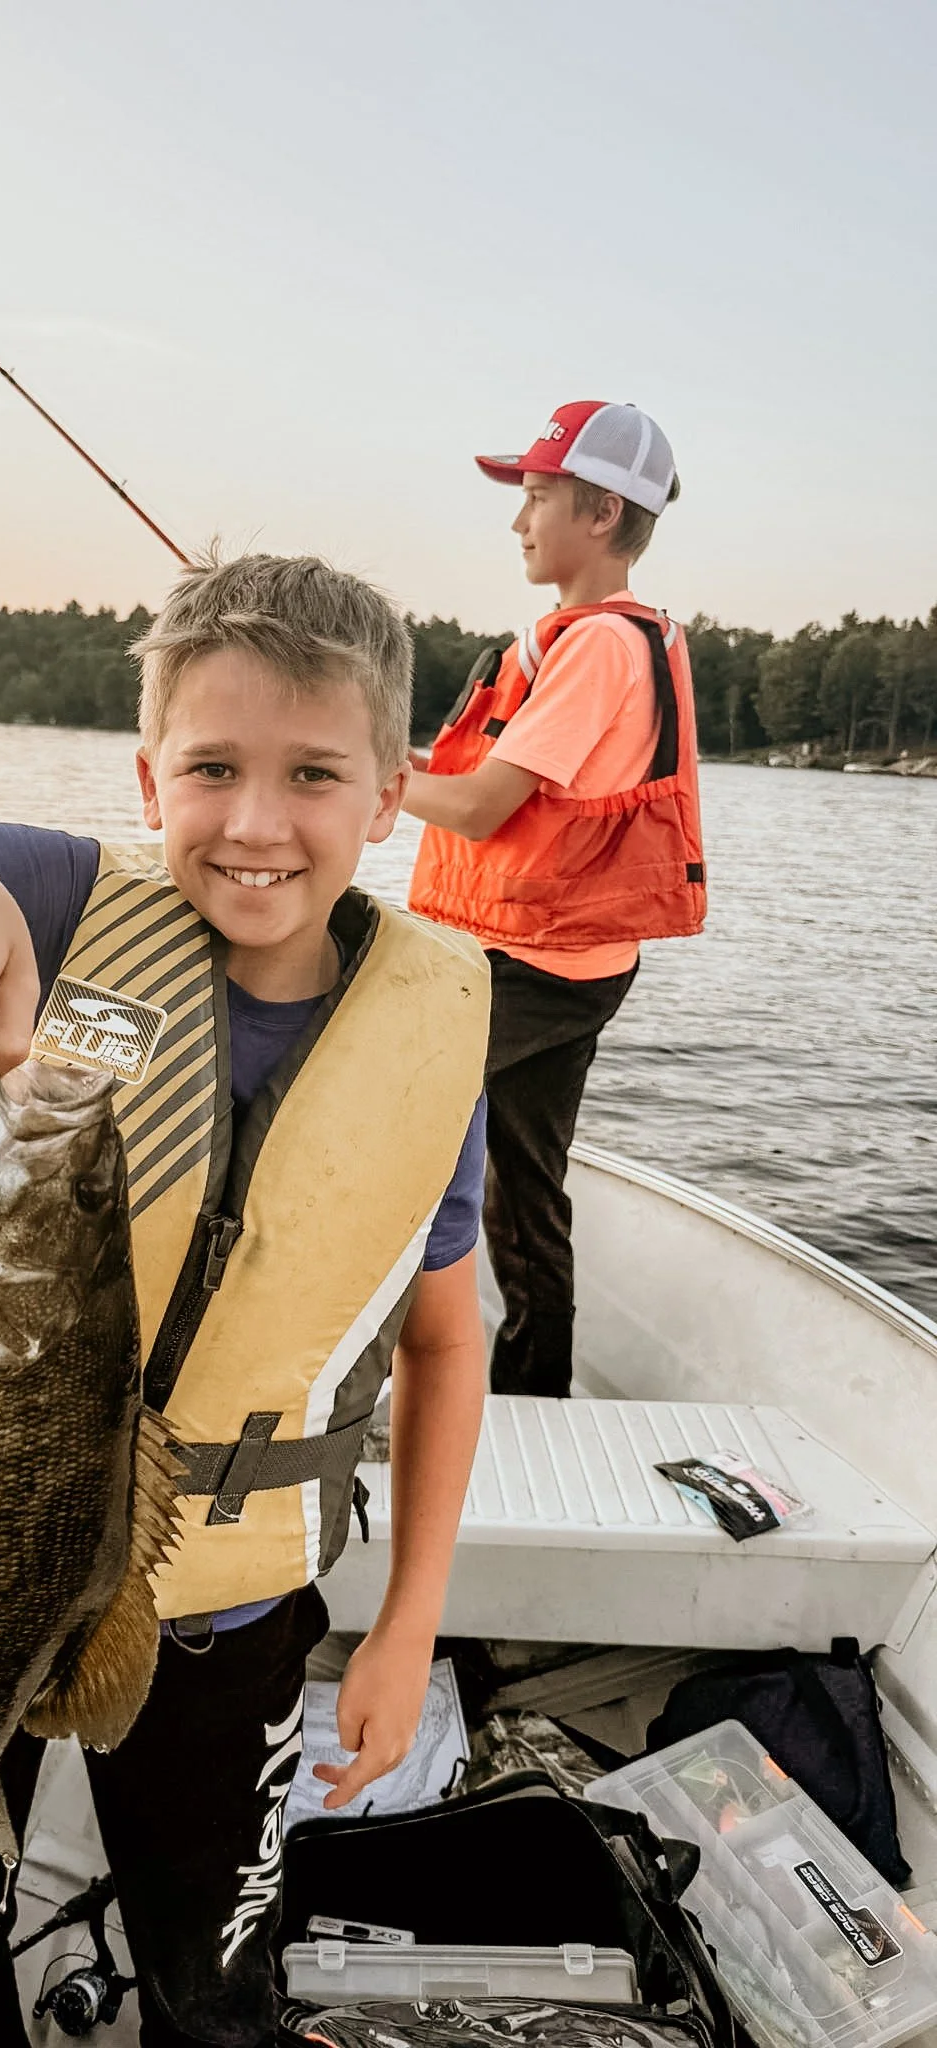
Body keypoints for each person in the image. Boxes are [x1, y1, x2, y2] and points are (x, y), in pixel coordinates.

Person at [0, 552, 492, 2048]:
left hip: (234, 1614)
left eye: (315, 774)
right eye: (213, 767)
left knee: (216, 1990)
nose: (258, 822)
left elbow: (449, 1338)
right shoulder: (62, 902)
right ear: (151, 779)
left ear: (390, 795)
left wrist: (409, 1629)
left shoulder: (431, 1035)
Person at [404, 400, 706, 1400]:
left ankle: (359, 1390)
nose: (518, 518)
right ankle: (535, 1394)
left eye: (537, 495)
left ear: (604, 514)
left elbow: (486, 810)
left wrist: (363, 779)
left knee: (380, 1127)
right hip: (581, 962)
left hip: (531, 965)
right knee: (524, 1192)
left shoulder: (596, 647)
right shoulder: (625, 638)